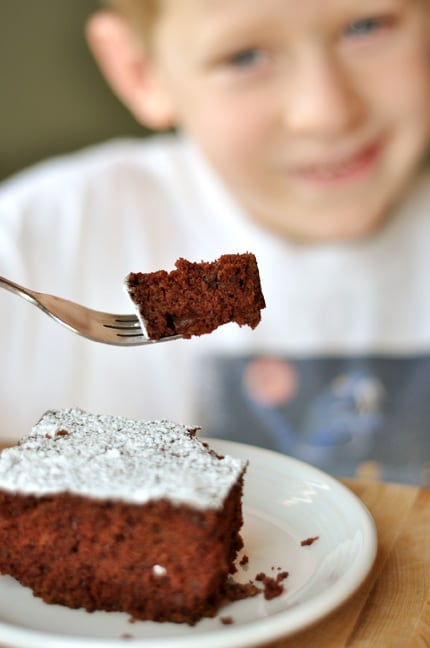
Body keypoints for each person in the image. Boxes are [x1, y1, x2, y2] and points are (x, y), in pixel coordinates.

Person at [1, 0, 430, 485]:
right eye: (244, 56)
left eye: (366, 26)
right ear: (140, 71)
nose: (326, 112)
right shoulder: (31, 238)